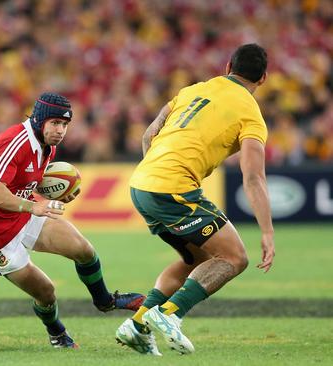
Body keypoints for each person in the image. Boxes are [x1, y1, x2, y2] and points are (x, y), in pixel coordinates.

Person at [115, 44, 276, 356]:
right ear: (264, 79)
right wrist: (267, 232)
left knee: (199, 260)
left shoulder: (193, 90)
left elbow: (149, 134)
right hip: (172, 189)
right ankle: (170, 313)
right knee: (234, 258)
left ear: (228, 64)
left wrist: (155, 173)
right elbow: (254, 177)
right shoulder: (251, 115)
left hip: (140, 184)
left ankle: (137, 324)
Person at [0, 92, 145, 349]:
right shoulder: (13, 142)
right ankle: (57, 333)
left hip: (22, 213)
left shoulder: (46, 145)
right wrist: (33, 206)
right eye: (55, 123)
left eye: (64, 125)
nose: (61, 131)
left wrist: (55, 194)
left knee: (83, 250)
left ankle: (104, 300)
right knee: (46, 293)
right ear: (39, 120)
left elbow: (25, 182)